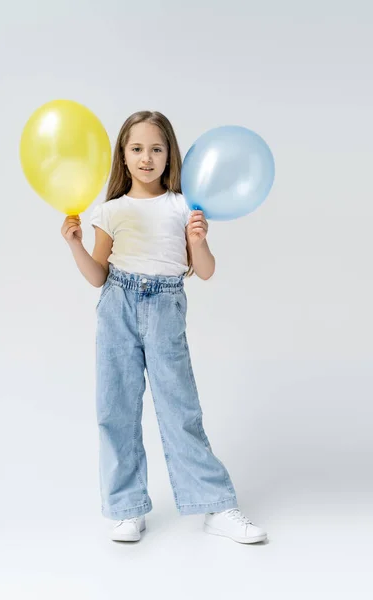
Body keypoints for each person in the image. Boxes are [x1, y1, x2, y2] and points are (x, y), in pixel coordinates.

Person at [61, 110, 267, 545]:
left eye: (157, 149)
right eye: (137, 148)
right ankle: (125, 508)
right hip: (117, 305)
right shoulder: (111, 210)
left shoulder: (183, 206)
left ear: (171, 155)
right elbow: (98, 276)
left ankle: (214, 505)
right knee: (115, 408)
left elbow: (205, 272)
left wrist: (198, 240)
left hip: (165, 307)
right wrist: (75, 246)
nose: (147, 158)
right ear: (123, 154)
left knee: (180, 408)